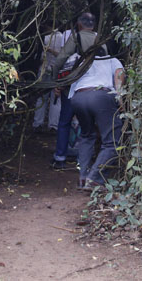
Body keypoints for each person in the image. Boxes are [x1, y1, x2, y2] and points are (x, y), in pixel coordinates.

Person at [47, 12, 107, 170]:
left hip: (73, 87)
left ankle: (60, 157)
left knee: (64, 121)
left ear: (79, 25)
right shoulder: (99, 39)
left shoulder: (76, 38)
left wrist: (57, 80)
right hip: (95, 87)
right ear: (93, 25)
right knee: (87, 124)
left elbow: (61, 58)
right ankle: (83, 160)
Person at [69, 52, 125, 190]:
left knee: (86, 136)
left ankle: (83, 178)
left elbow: (71, 83)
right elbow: (119, 73)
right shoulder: (111, 58)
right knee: (112, 141)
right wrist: (119, 96)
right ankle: (94, 178)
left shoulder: (81, 60)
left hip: (79, 97)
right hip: (100, 96)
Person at [32, 27, 69, 131]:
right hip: (57, 71)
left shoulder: (45, 37)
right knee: (55, 99)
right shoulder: (63, 37)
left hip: (45, 70)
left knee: (41, 97)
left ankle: (38, 123)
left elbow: (40, 57)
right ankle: (53, 125)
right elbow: (63, 56)